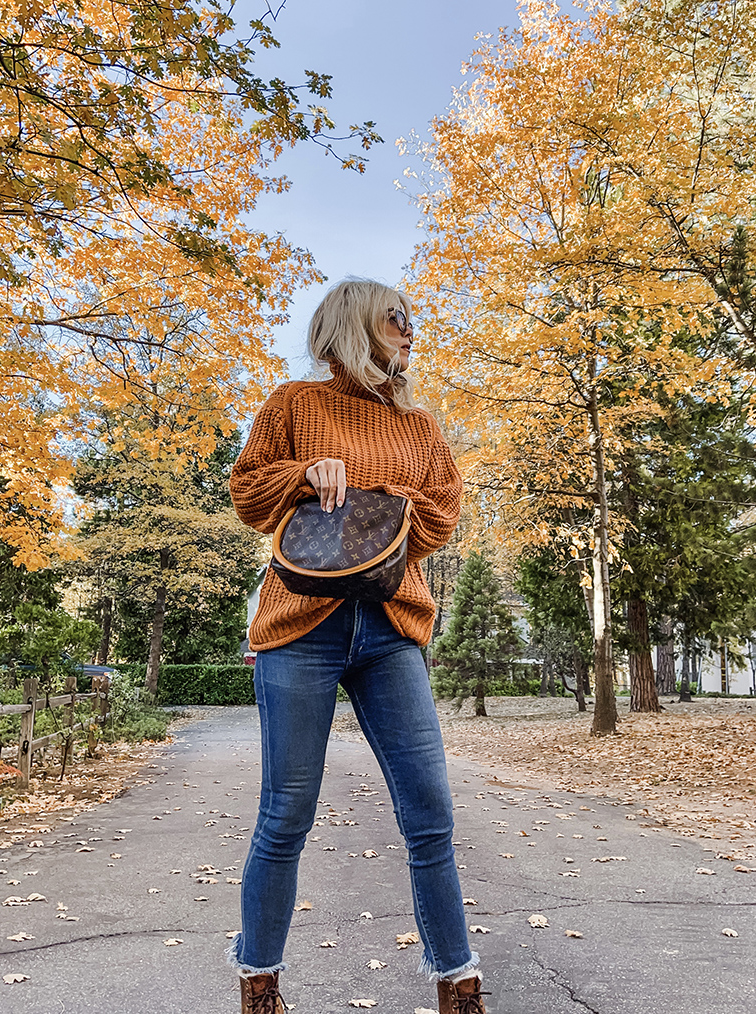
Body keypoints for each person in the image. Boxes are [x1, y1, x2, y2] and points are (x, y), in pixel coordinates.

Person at [228, 278, 488, 1014]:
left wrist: (378, 504)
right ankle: (259, 981)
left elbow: (442, 513)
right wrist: (302, 474)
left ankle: (457, 981)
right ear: (354, 325)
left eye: (412, 319)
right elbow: (248, 494)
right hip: (299, 626)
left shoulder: (419, 426)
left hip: (392, 625)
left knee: (430, 811)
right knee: (287, 812)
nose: (410, 329)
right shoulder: (292, 405)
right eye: (395, 318)